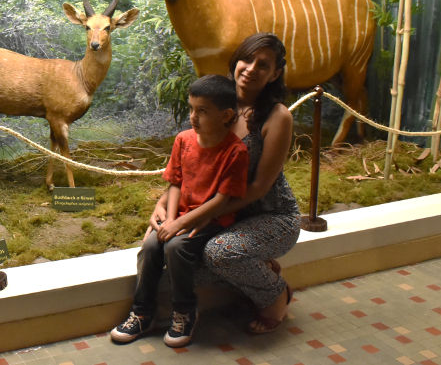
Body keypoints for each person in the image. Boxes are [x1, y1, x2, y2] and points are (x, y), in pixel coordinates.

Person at [147, 33, 300, 335]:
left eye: (263, 64)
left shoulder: (276, 116)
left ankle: (276, 296)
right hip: (225, 213)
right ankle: (259, 265)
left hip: (270, 215)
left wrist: (195, 217)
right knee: (174, 254)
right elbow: (190, 167)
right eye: (247, 59)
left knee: (218, 252)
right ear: (235, 62)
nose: (251, 68)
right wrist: (164, 204)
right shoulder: (219, 101)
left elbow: (257, 188)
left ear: (275, 74)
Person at [110, 74, 248, 348]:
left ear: (226, 115)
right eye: (191, 108)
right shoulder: (183, 140)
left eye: (203, 111)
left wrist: (180, 224)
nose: (193, 117)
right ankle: (142, 312)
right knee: (151, 244)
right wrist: (170, 220)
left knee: (176, 247)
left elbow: (221, 201)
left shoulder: (236, 152)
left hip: (209, 220)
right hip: (180, 214)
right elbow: (175, 183)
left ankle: (184, 311)